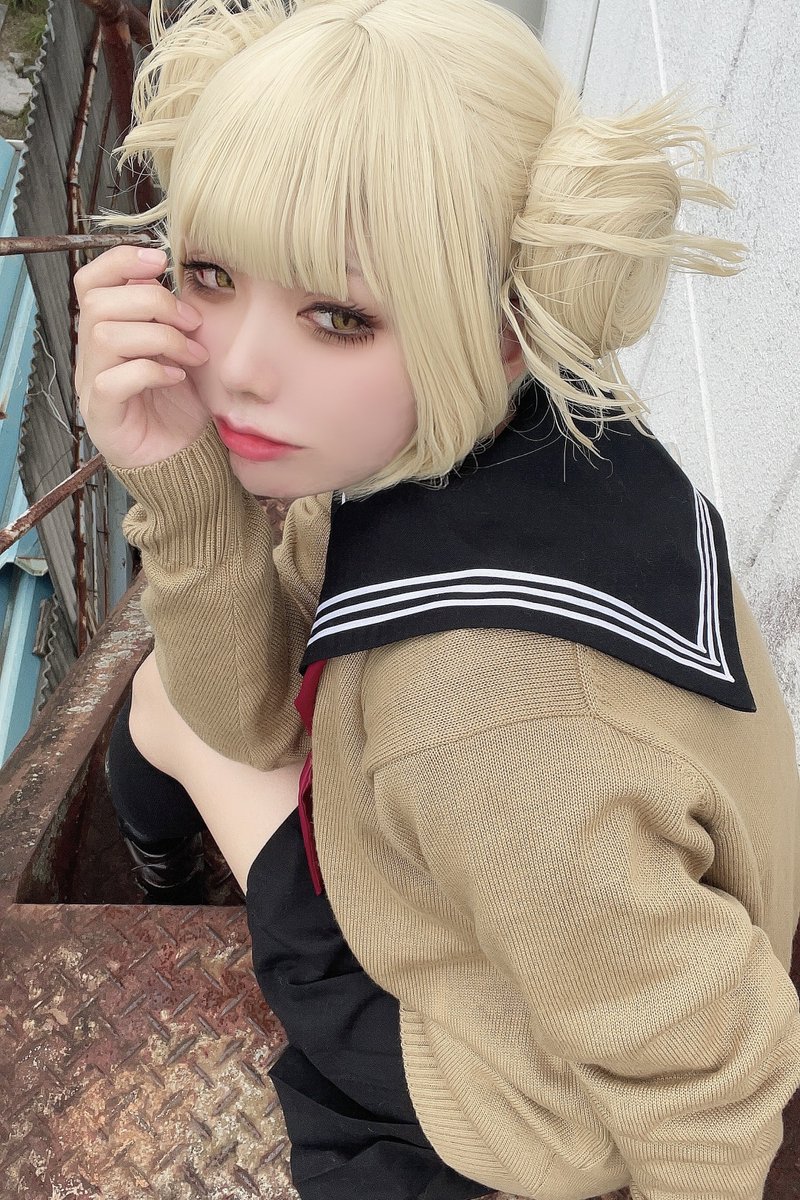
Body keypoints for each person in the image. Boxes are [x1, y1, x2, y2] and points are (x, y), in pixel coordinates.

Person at [74, 1, 800, 1197]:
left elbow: (706, 1077)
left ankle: (169, 880)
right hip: (580, 900)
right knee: (164, 698)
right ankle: (168, 871)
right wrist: (183, 476)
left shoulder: (477, 722)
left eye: (338, 316)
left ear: (507, 321)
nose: (238, 367)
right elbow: (255, 710)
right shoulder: (536, 423)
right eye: (209, 273)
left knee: (165, 710)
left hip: (516, 1086)